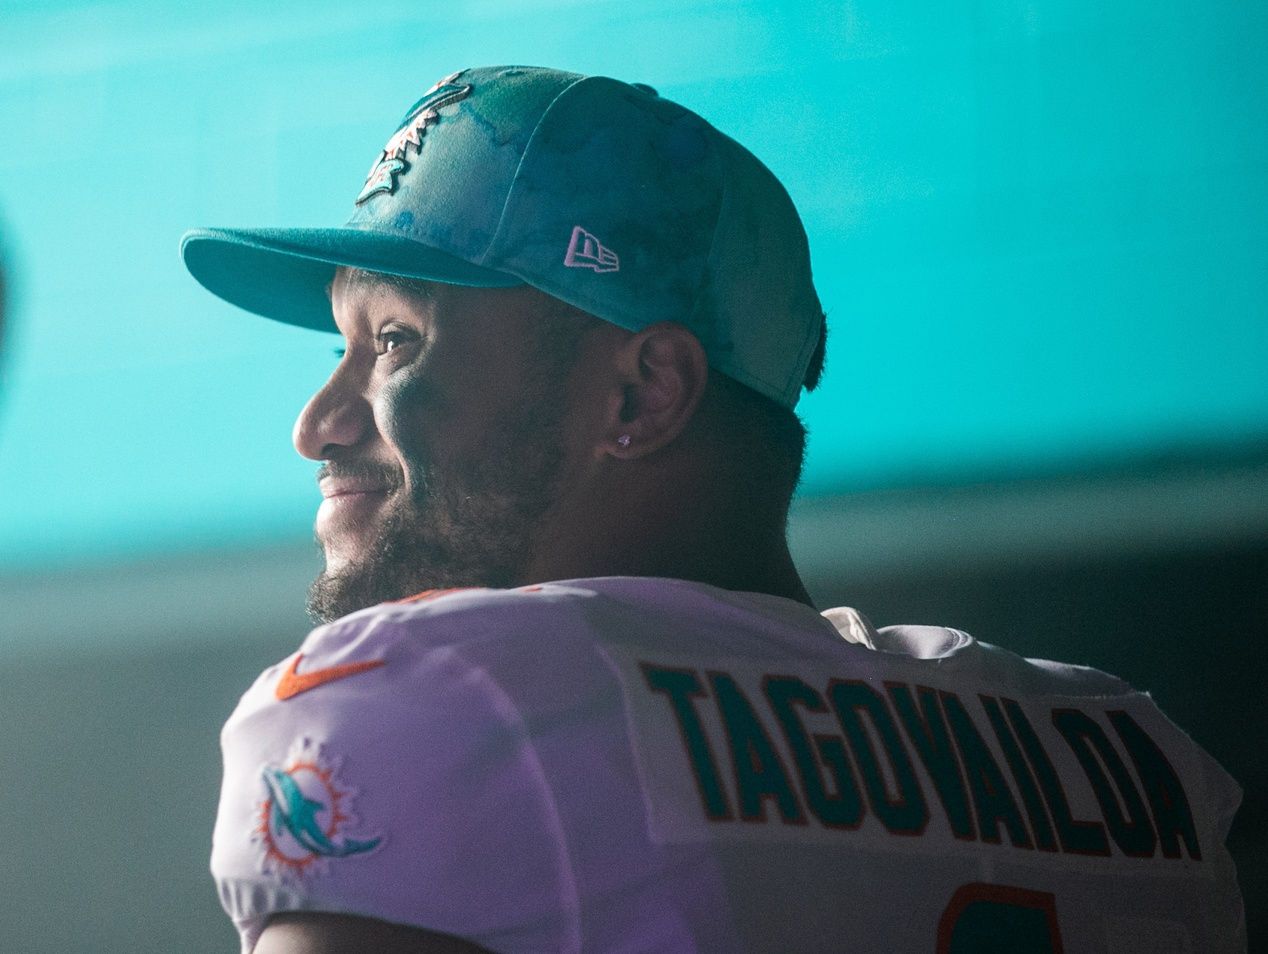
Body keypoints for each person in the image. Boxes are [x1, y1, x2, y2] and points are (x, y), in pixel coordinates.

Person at [182, 66, 1245, 953]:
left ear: (642, 391)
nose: (317, 422)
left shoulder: (430, 699)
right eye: (342, 348)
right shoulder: (1127, 754)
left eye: (396, 343)